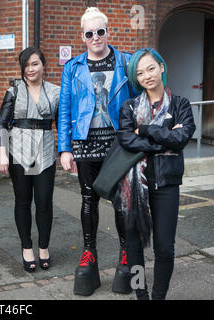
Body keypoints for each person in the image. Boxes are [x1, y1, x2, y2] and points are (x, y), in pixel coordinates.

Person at [57, 7, 136, 296]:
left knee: (121, 201)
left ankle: (126, 254)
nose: (96, 37)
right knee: (88, 198)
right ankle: (89, 252)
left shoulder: (126, 62)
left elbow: (139, 103)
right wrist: (64, 148)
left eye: (100, 31)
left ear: (108, 32)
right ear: (82, 36)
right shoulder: (73, 67)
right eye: (89, 33)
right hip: (85, 143)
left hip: (119, 144)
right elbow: (65, 109)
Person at [115, 48, 195, 300]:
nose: (146, 76)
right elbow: (126, 140)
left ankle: (158, 296)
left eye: (150, 68)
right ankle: (142, 295)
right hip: (134, 187)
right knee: (135, 247)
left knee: (164, 249)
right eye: (139, 73)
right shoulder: (129, 107)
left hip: (166, 185)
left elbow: (182, 138)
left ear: (161, 67)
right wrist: (164, 141)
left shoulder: (180, 104)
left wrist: (147, 129)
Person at [0, 47, 60, 273]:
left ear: (43, 65)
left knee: (44, 202)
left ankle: (43, 247)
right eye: (26, 64)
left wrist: (67, 152)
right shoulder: (14, 91)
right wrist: (2, 154)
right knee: (23, 201)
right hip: (18, 150)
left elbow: (63, 125)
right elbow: (1, 124)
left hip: (45, 150)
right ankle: (26, 248)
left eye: (35, 64)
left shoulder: (56, 92)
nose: (30, 69)